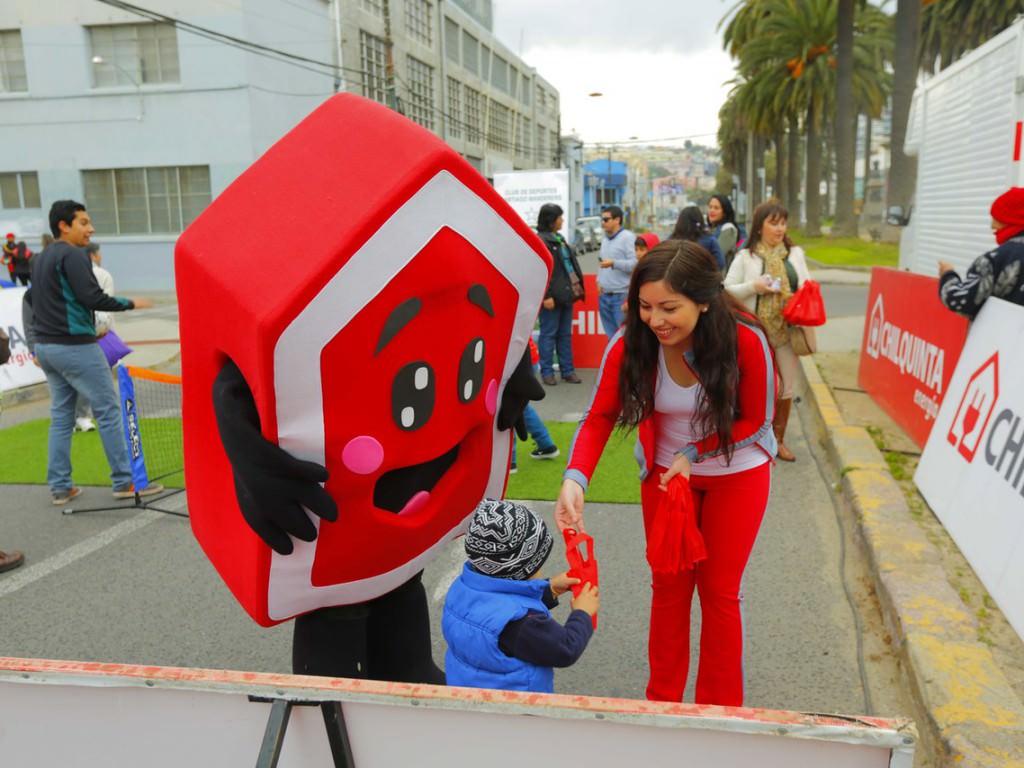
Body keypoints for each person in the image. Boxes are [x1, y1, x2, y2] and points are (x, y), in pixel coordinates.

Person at [555, 240, 777, 706]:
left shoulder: (745, 338)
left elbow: (758, 421)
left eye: (669, 308)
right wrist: (575, 478)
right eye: (645, 306)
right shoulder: (631, 340)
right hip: (664, 479)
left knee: (719, 593)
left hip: (737, 473)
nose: (655, 320)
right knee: (669, 592)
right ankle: (662, 704)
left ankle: (719, 711)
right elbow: (599, 416)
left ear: (704, 301)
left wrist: (693, 453)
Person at [29, 200, 164, 505]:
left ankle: (60, 487)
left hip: (47, 348)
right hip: (75, 347)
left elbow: (31, 301)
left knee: (61, 416)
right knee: (107, 410)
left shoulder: (41, 258)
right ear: (64, 226)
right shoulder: (73, 255)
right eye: (83, 222)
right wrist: (132, 303)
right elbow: (93, 297)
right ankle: (125, 481)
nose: (90, 229)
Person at [443, 499, 598, 692]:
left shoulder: (461, 588)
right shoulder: (521, 624)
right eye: (538, 563)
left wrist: (549, 590)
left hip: (465, 691)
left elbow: (496, 606)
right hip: (515, 703)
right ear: (524, 568)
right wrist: (582, 613)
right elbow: (566, 649)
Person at [724, 200, 810, 462]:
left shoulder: (795, 254)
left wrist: (797, 296)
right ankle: (747, 436)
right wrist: (754, 286)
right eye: (774, 223)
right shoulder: (745, 257)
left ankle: (778, 440)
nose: (780, 228)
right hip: (753, 333)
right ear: (759, 227)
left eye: (783, 223)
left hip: (787, 332)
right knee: (750, 384)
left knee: (785, 387)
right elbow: (725, 290)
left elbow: (807, 286)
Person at [938, 186, 1024, 317]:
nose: (992, 225)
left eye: (998, 218)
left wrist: (948, 274)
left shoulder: (997, 259)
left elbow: (961, 302)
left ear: (1014, 219)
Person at [536, 203, 585, 385]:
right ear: (551, 220)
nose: (562, 221)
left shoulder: (559, 239)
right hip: (551, 298)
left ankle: (567, 371)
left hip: (566, 295)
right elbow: (540, 270)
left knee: (564, 335)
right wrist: (546, 295)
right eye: (559, 217)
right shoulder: (541, 241)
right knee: (548, 335)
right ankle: (547, 372)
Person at [73, 242, 118, 432]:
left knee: (80, 376)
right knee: (99, 378)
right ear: (92, 256)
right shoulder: (102, 274)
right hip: (97, 333)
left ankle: (80, 416)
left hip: (78, 333)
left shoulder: (71, 274)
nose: (100, 257)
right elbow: (107, 304)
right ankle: (88, 416)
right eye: (99, 254)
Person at [596, 205, 637, 338]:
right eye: (602, 219)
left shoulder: (628, 238)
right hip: (604, 296)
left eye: (606, 219)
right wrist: (599, 280)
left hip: (621, 296)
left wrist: (614, 263)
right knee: (611, 338)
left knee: (624, 337)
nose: (603, 223)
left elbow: (635, 264)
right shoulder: (605, 240)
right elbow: (602, 263)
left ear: (617, 220)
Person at [669, 206, 725, 271]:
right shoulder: (709, 240)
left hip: (675, 276)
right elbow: (720, 263)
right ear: (700, 220)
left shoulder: (670, 240)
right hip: (702, 276)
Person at [707, 194, 746, 273]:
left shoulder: (728, 229)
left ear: (724, 212)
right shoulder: (710, 229)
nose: (712, 210)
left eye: (716, 208)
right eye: (710, 207)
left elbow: (717, 256)